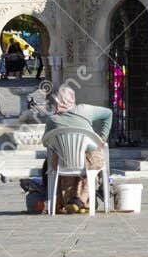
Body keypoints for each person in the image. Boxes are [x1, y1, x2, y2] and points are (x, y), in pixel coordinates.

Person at [38, 83, 112, 212]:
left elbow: (46, 143)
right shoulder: (85, 110)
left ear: (57, 101)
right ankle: (83, 200)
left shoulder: (52, 120)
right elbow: (108, 113)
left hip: (63, 163)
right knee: (93, 160)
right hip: (89, 161)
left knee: (53, 159)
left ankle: (67, 201)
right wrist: (103, 137)